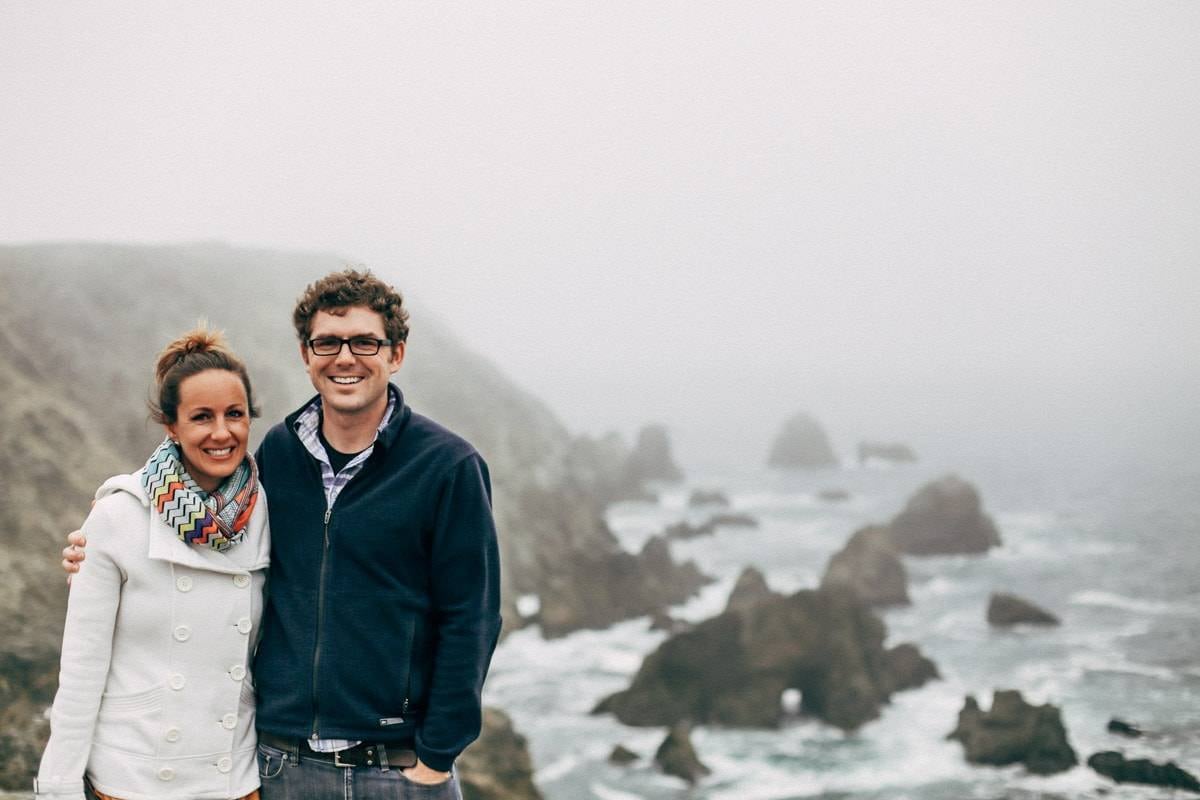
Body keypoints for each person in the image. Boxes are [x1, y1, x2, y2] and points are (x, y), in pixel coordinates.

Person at [63, 269, 502, 800]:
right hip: (281, 764)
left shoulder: (448, 466)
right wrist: (111, 520)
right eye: (327, 342)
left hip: (398, 769)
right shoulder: (277, 455)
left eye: (365, 341)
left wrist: (436, 756)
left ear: (396, 354)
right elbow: (203, 521)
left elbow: (471, 615)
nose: (345, 357)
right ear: (306, 354)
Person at [38, 328, 270, 800]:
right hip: (133, 780)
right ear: (172, 425)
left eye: (235, 415)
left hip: (234, 780)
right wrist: (58, 785)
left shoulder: (269, 510)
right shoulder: (120, 514)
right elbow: (83, 666)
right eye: (201, 417)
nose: (222, 432)